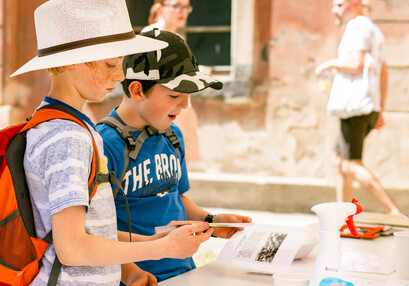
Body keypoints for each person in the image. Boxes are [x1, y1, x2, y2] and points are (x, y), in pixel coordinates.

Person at [11, 1, 213, 285]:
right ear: (70, 60)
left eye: (121, 63)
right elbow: (72, 248)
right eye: (109, 64)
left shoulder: (67, 126)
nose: (119, 75)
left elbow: (91, 231)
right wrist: (162, 247)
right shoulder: (68, 137)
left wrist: (136, 262)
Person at [96, 29, 252, 282]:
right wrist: (130, 273)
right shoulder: (104, 144)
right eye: (174, 95)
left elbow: (176, 197)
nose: (184, 105)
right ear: (137, 90)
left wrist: (211, 221)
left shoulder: (172, 135)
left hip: (184, 271)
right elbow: (93, 232)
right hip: (137, 277)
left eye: (188, 95)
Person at [315, 0, 401, 214]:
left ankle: (394, 212)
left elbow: (356, 64)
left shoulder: (356, 26)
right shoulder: (372, 28)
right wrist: (379, 108)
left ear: (354, 3)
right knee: (338, 160)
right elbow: (383, 70)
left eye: (339, 5)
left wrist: (329, 63)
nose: (334, 10)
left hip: (355, 106)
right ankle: (343, 217)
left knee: (351, 163)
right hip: (366, 106)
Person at [143, 0, 201, 163]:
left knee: (180, 162)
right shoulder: (152, 34)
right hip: (161, 108)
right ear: (160, 8)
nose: (182, 11)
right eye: (176, 6)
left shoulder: (177, 37)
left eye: (186, 6)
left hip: (179, 107)